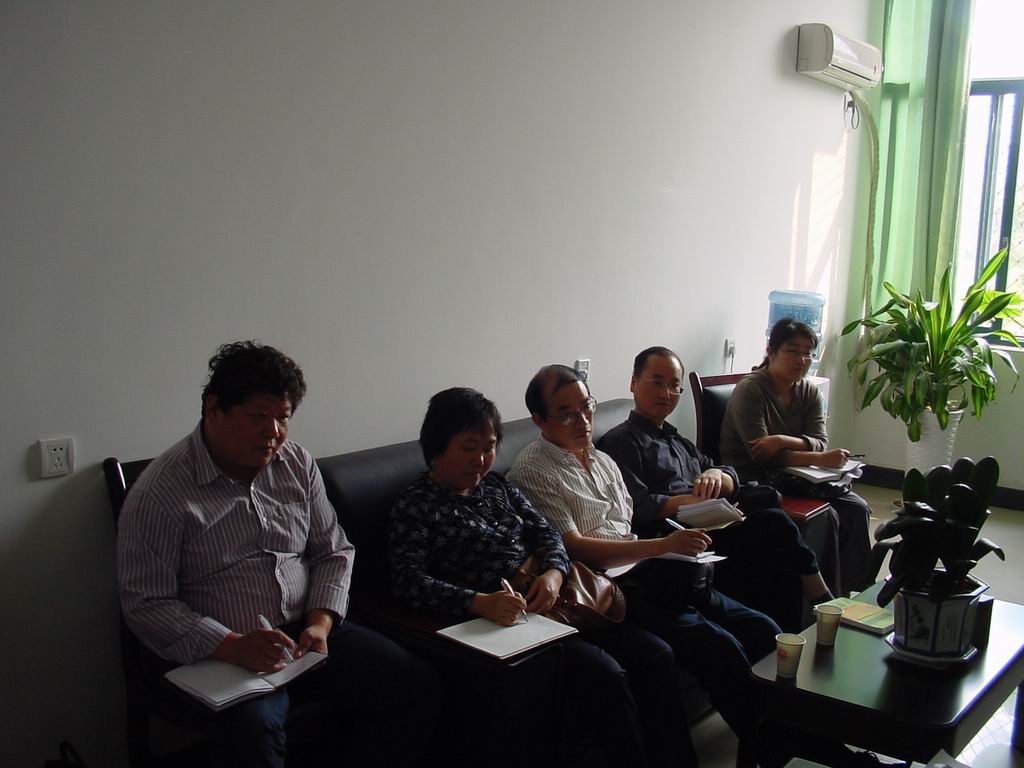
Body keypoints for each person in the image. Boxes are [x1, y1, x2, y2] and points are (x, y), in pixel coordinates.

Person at [117, 341, 437, 768]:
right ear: (214, 409)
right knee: (253, 733)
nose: (273, 432)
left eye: (283, 418)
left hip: (306, 634)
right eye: (257, 417)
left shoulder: (296, 463)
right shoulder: (162, 492)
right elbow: (146, 603)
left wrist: (321, 623)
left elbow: (333, 550)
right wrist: (230, 645)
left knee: (413, 684)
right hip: (219, 653)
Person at [389, 387, 695, 768]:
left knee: (656, 654)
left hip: (562, 601)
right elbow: (408, 580)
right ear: (437, 446)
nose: (480, 460)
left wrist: (552, 573)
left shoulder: (498, 487)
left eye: (488, 448)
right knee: (606, 677)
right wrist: (478, 602)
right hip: (509, 624)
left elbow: (548, 535)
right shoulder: (416, 505)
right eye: (468, 448)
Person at [507, 365, 786, 763]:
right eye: (566, 413)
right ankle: (776, 754)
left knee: (762, 628)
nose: (583, 420)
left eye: (586, 407)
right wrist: (660, 547)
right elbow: (574, 547)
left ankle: (802, 736)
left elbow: (628, 525)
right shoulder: (532, 471)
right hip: (610, 588)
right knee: (719, 648)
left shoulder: (602, 459)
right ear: (539, 420)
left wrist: (671, 546)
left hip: (651, 569)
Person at [595, 348, 834, 632]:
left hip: (714, 522)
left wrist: (716, 474)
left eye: (674, 385)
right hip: (677, 535)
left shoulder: (677, 440)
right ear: (634, 382)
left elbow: (724, 471)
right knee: (775, 524)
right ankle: (822, 602)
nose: (666, 393)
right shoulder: (622, 441)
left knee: (770, 507)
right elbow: (638, 505)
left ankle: (799, 628)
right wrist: (693, 501)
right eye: (657, 382)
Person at [719, 319, 873, 592]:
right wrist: (820, 458)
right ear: (771, 351)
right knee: (827, 516)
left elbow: (821, 441)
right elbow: (761, 456)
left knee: (856, 508)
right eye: (792, 350)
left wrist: (781, 440)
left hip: (799, 476)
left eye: (808, 353)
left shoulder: (808, 390)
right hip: (753, 477)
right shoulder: (752, 389)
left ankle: (852, 589)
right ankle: (822, 596)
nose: (801, 360)